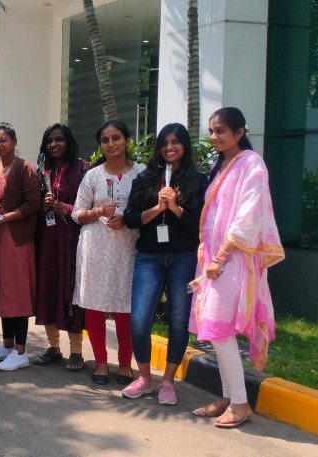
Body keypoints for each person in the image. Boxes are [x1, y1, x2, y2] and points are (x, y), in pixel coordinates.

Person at [190, 107, 283, 428]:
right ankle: (229, 397)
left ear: (239, 132)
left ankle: (241, 405)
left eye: (220, 131)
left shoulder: (251, 164)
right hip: (215, 260)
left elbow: (248, 217)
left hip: (234, 259)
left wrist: (221, 256)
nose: (214, 136)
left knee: (219, 329)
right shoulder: (220, 165)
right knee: (217, 332)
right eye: (212, 131)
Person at [121, 123, 206, 404]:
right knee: (140, 319)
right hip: (149, 257)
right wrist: (158, 208)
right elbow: (130, 219)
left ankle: (168, 382)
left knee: (179, 321)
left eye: (175, 142)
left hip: (184, 257)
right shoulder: (145, 179)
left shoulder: (197, 180)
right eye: (165, 143)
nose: (170, 147)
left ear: (184, 146)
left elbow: (201, 225)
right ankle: (145, 378)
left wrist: (176, 208)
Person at [71, 120, 145, 385]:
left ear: (127, 140)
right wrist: (99, 211)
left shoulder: (142, 173)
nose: (111, 144)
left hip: (129, 246)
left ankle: (125, 363)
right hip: (96, 246)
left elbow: (150, 209)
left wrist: (128, 218)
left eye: (116, 138)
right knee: (95, 304)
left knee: (126, 305)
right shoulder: (93, 176)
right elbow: (77, 214)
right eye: (105, 140)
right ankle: (101, 362)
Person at [0, 122, 42, 372]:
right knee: (4, 291)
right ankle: (7, 345)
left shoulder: (25, 168)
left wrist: (4, 218)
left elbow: (34, 203)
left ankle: (21, 351)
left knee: (17, 293)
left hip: (16, 239)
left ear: (14, 142)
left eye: (3, 139)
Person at [31, 123, 91, 372]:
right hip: (47, 238)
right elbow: (30, 205)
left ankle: (76, 352)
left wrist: (66, 208)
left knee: (71, 290)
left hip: (72, 238)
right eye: (49, 140)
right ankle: (53, 347)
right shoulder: (41, 171)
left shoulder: (83, 168)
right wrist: (43, 205)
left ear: (69, 142)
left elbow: (91, 203)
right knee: (48, 288)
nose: (54, 144)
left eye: (59, 139)